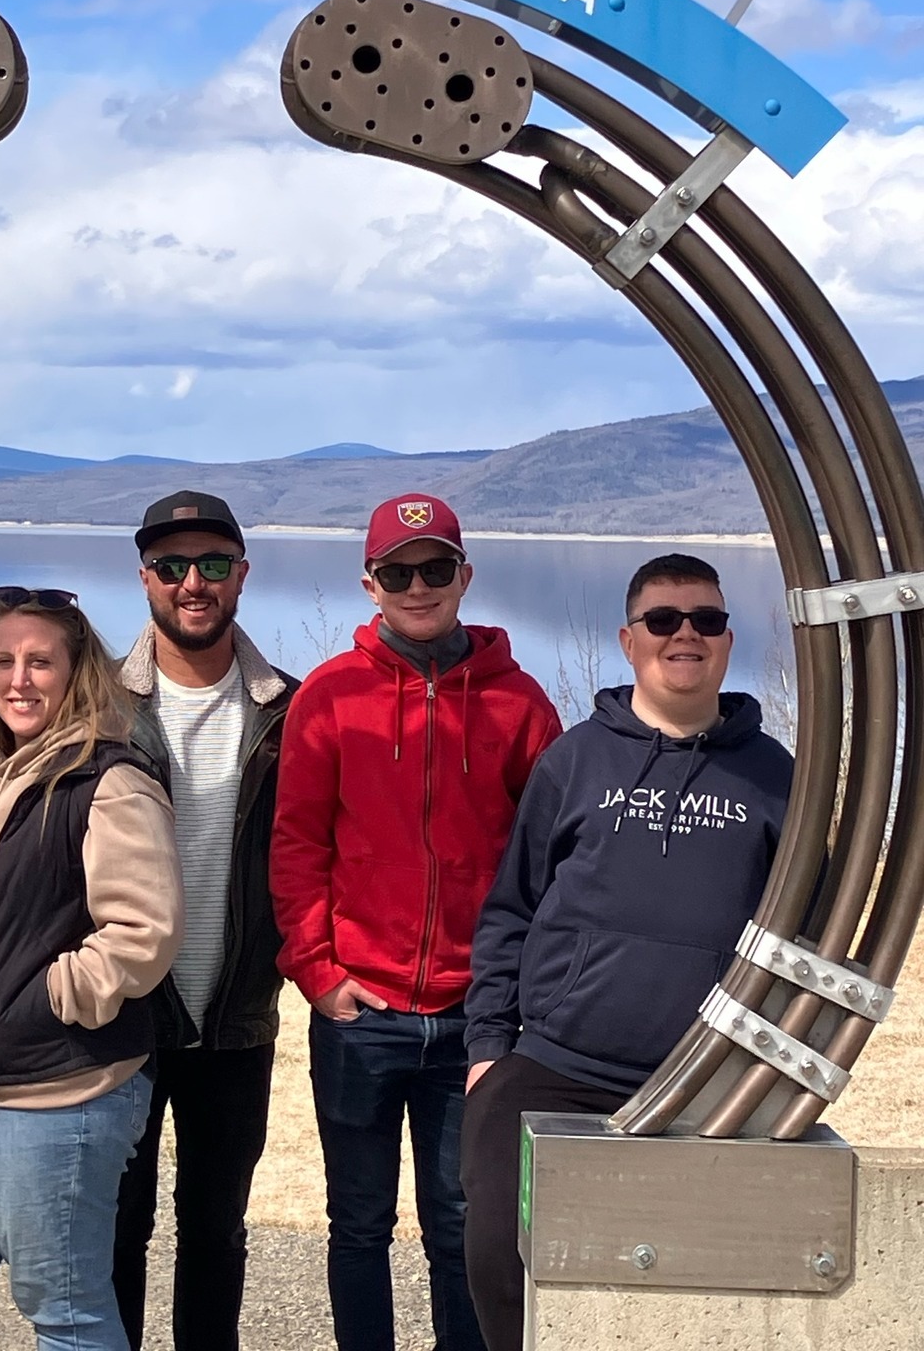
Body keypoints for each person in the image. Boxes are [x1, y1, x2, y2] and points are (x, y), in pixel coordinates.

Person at [461, 552, 793, 1351]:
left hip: (709, 1084)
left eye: (707, 620)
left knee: (683, 1294)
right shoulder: (575, 760)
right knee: (503, 1270)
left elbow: (801, 938)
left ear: (726, 637)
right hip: (556, 1067)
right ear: (628, 638)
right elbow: (512, 909)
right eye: (664, 620)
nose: (686, 635)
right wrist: (487, 1051)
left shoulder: (776, 775)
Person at [270, 493, 560, 1351]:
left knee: (460, 1225)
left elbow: (547, 864)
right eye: (399, 572)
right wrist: (319, 974)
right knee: (358, 1223)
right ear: (371, 584)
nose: (419, 586)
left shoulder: (520, 704)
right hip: (366, 1013)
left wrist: (512, 998)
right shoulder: (329, 697)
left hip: (474, 1020)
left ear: (465, 575)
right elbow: (296, 848)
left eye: (436, 569)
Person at [0, 586, 183, 1351]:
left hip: (57, 1094)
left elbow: (143, 934)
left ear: (76, 671)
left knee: (66, 1314)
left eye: (40, 661)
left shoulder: (106, 779)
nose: (19, 679)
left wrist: (46, 998)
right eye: (2, 661)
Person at [113, 491, 299, 1351]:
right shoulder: (99, 708)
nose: (194, 583)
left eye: (213, 565)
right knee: (116, 1231)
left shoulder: (288, 711)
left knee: (217, 1231)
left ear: (241, 577)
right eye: (174, 566)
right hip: (121, 1022)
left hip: (236, 1018)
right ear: (146, 577)